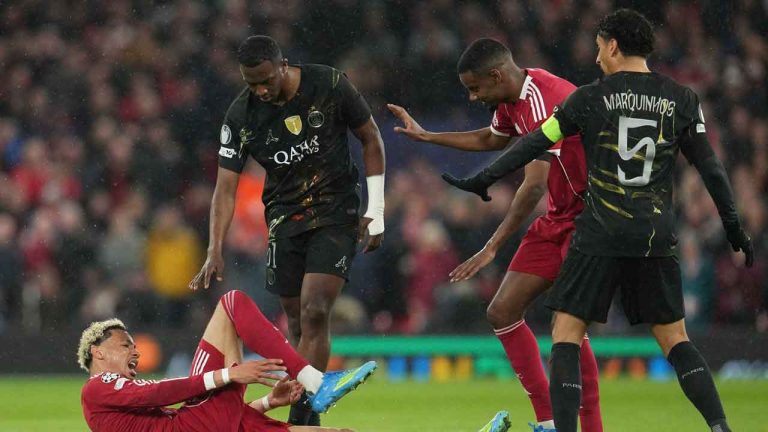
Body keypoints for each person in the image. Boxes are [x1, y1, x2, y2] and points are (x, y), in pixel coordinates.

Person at [442, 9, 754, 432]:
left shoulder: (590, 97)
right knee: (676, 341)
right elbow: (711, 169)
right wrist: (734, 226)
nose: (595, 58)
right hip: (653, 234)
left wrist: (483, 177)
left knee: (566, 334)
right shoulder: (683, 98)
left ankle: (564, 428)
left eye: (598, 48)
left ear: (612, 46)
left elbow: (534, 143)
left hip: (600, 228)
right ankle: (720, 426)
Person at [388, 38, 602, 432]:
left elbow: (533, 184)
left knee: (566, 326)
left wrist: (492, 247)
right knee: (502, 311)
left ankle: (589, 427)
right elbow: (492, 138)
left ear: (497, 75)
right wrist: (429, 136)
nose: (472, 97)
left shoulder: (544, 101)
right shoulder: (512, 97)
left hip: (590, 219)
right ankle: (550, 421)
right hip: (560, 216)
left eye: (475, 88)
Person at [189, 35, 386, 425]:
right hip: (283, 219)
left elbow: (371, 137)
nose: (260, 89)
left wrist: (375, 210)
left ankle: (301, 419)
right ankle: (307, 411)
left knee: (315, 312)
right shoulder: (241, 116)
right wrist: (215, 247)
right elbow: (224, 189)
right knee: (295, 324)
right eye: (251, 83)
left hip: (336, 210)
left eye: (265, 80)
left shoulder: (328, 84)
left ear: (283, 65)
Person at [78, 289, 377, 432]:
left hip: (219, 427)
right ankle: (314, 380)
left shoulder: (123, 402)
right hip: (193, 428)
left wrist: (269, 403)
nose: (135, 351)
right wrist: (228, 375)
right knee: (232, 303)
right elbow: (157, 392)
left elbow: (218, 420)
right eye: (125, 345)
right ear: (98, 352)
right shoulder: (97, 388)